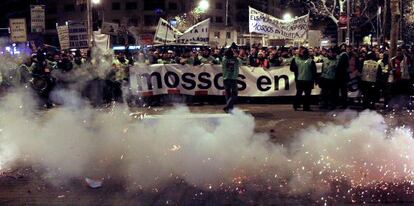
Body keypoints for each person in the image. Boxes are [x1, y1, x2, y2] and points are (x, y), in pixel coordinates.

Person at [290, 47, 317, 111]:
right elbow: (314, 71)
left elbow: (291, 69)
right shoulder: (311, 61)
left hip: (300, 79)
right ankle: (306, 107)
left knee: (299, 93)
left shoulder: (295, 60)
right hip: (308, 80)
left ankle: (296, 105)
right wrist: (314, 79)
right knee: (307, 95)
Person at [222, 49, 241, 113]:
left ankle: (229, 108)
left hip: (225, 78)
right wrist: (237, 56)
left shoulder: (224, 59)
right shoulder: (236, 60)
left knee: (228, 94)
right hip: (232, 78)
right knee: (235, 93)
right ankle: (228, 106)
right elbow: (238, 66)